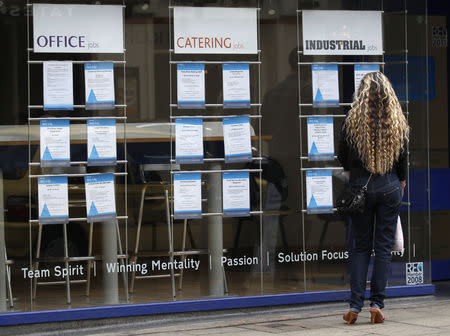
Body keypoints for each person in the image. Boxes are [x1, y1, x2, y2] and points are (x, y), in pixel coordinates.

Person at [338, 71, 409, 325]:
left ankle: (355, 306)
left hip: (361, 188)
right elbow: (402, 160)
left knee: (360, 247)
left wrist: (355, 174)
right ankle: (377, 304)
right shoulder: (396, 118)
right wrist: (399, 183)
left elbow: (342, 157)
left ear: (362, 93)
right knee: (382, 249)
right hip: (390, 186)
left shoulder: (352, 119)